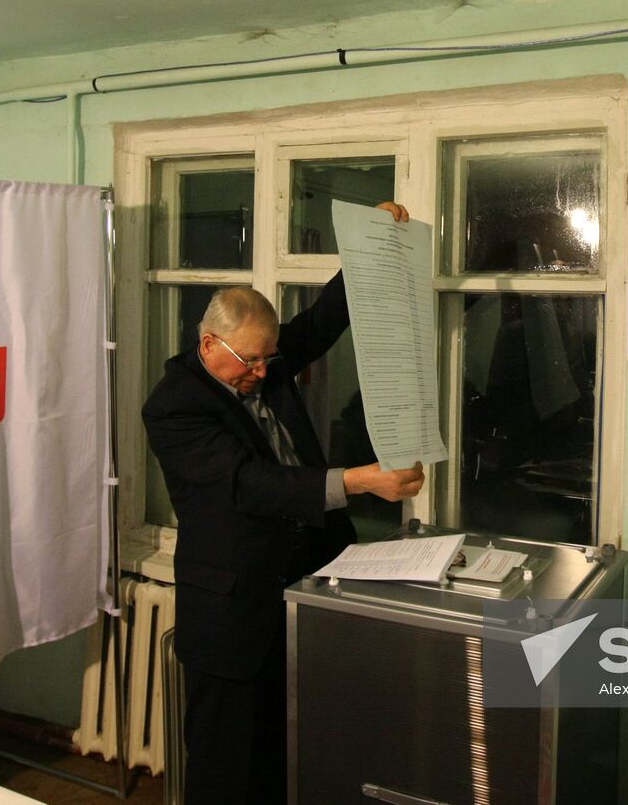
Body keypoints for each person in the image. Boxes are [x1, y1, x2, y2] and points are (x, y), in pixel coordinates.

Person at [141, 200, 424, 804]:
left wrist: (369, 244)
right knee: (225, 767)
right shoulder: (175, 405)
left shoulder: (260, 359)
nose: (265, 371)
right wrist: (358, 481)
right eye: (252, 361)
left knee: (288, 754)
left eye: (270, 357)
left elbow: (321, 323)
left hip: (303, 587)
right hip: (234, 611)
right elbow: (249, 486)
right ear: (210, 342)